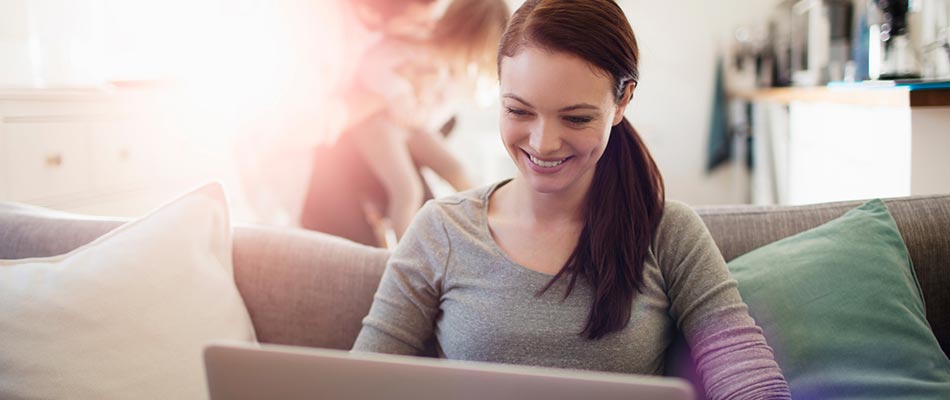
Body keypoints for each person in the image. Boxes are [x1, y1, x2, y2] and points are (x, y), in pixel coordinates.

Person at [351, 1, 793, 399]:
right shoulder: (441, 230)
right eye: (519, 111)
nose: (543, 144)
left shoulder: (668, 232)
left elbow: (748, 379)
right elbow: (360, 383)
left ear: (622, 102)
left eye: (577, 117)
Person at [300, 0, 510, 247]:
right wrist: (399, 93)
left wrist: (428, 99)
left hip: (410, 127)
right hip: (376, 124)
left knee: (457, 169)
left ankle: (493, 230)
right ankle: (406, 255)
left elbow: (436, 115)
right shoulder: (415, 45)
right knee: (406, 190)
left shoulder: (451, 70)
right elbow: (372, 66)